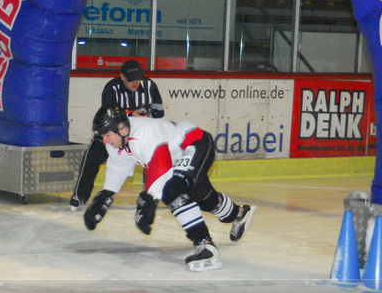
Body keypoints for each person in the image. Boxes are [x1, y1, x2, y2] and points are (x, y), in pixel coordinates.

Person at [83, 105, 256, 271]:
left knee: (174, 190)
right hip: (178, 158)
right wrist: (104, 196)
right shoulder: (118, 141)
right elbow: (118, 168)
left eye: (107, 135)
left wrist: (149, 199)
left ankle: (205, 245)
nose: (105, 141)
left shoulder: (144, 133)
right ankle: (239, 214)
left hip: (195, 143)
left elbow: (161, 169)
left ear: (122, 129)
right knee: (202, 198)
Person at [69, 60, 164, 209]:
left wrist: (148, 116)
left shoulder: (150, 85)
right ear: (122, 77)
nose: (136, 82)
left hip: (139, 134)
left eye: (138, 78)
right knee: (91, 157)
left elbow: (159, 111)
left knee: (158, 157)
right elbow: (108, 111)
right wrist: (131, 114)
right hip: (113, 134)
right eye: (131, 79)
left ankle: (157, 195)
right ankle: (79, 196)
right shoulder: (111, 87)